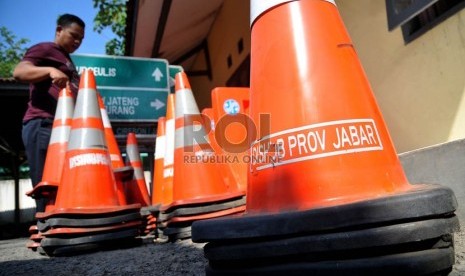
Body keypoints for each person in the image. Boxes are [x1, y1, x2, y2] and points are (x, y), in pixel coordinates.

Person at [13, 14, 85, 212]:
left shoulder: (66, 59)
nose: (77, 41)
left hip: (62, 129)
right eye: (73, 35)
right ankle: (47, 230)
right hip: (42, 124)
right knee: (47, 183)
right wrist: (49, 71)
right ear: (59, 30)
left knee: (65, 181)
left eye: (81, 38)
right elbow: (19, 71)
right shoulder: (46, 49)